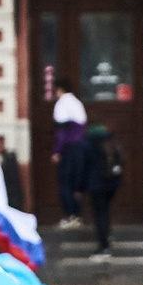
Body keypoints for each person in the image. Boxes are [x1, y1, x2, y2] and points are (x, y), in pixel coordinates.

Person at [82, 122, 122, 262]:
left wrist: (79, 187)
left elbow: (83, 165)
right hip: (111, 185)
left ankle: (104, 246)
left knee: (100, 215)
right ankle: (106, 236)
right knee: (104, 212)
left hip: (96, 186)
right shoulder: (111, 143)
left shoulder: (88, 144)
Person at [52, 93, 89, 228]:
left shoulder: (62, 105)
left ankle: (71, 215)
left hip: (68, 150)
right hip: (80, 147)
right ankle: (77, 215)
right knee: (76, 182)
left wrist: (57, 150)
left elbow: (61, 134)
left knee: (65, 183)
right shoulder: (77, 103)